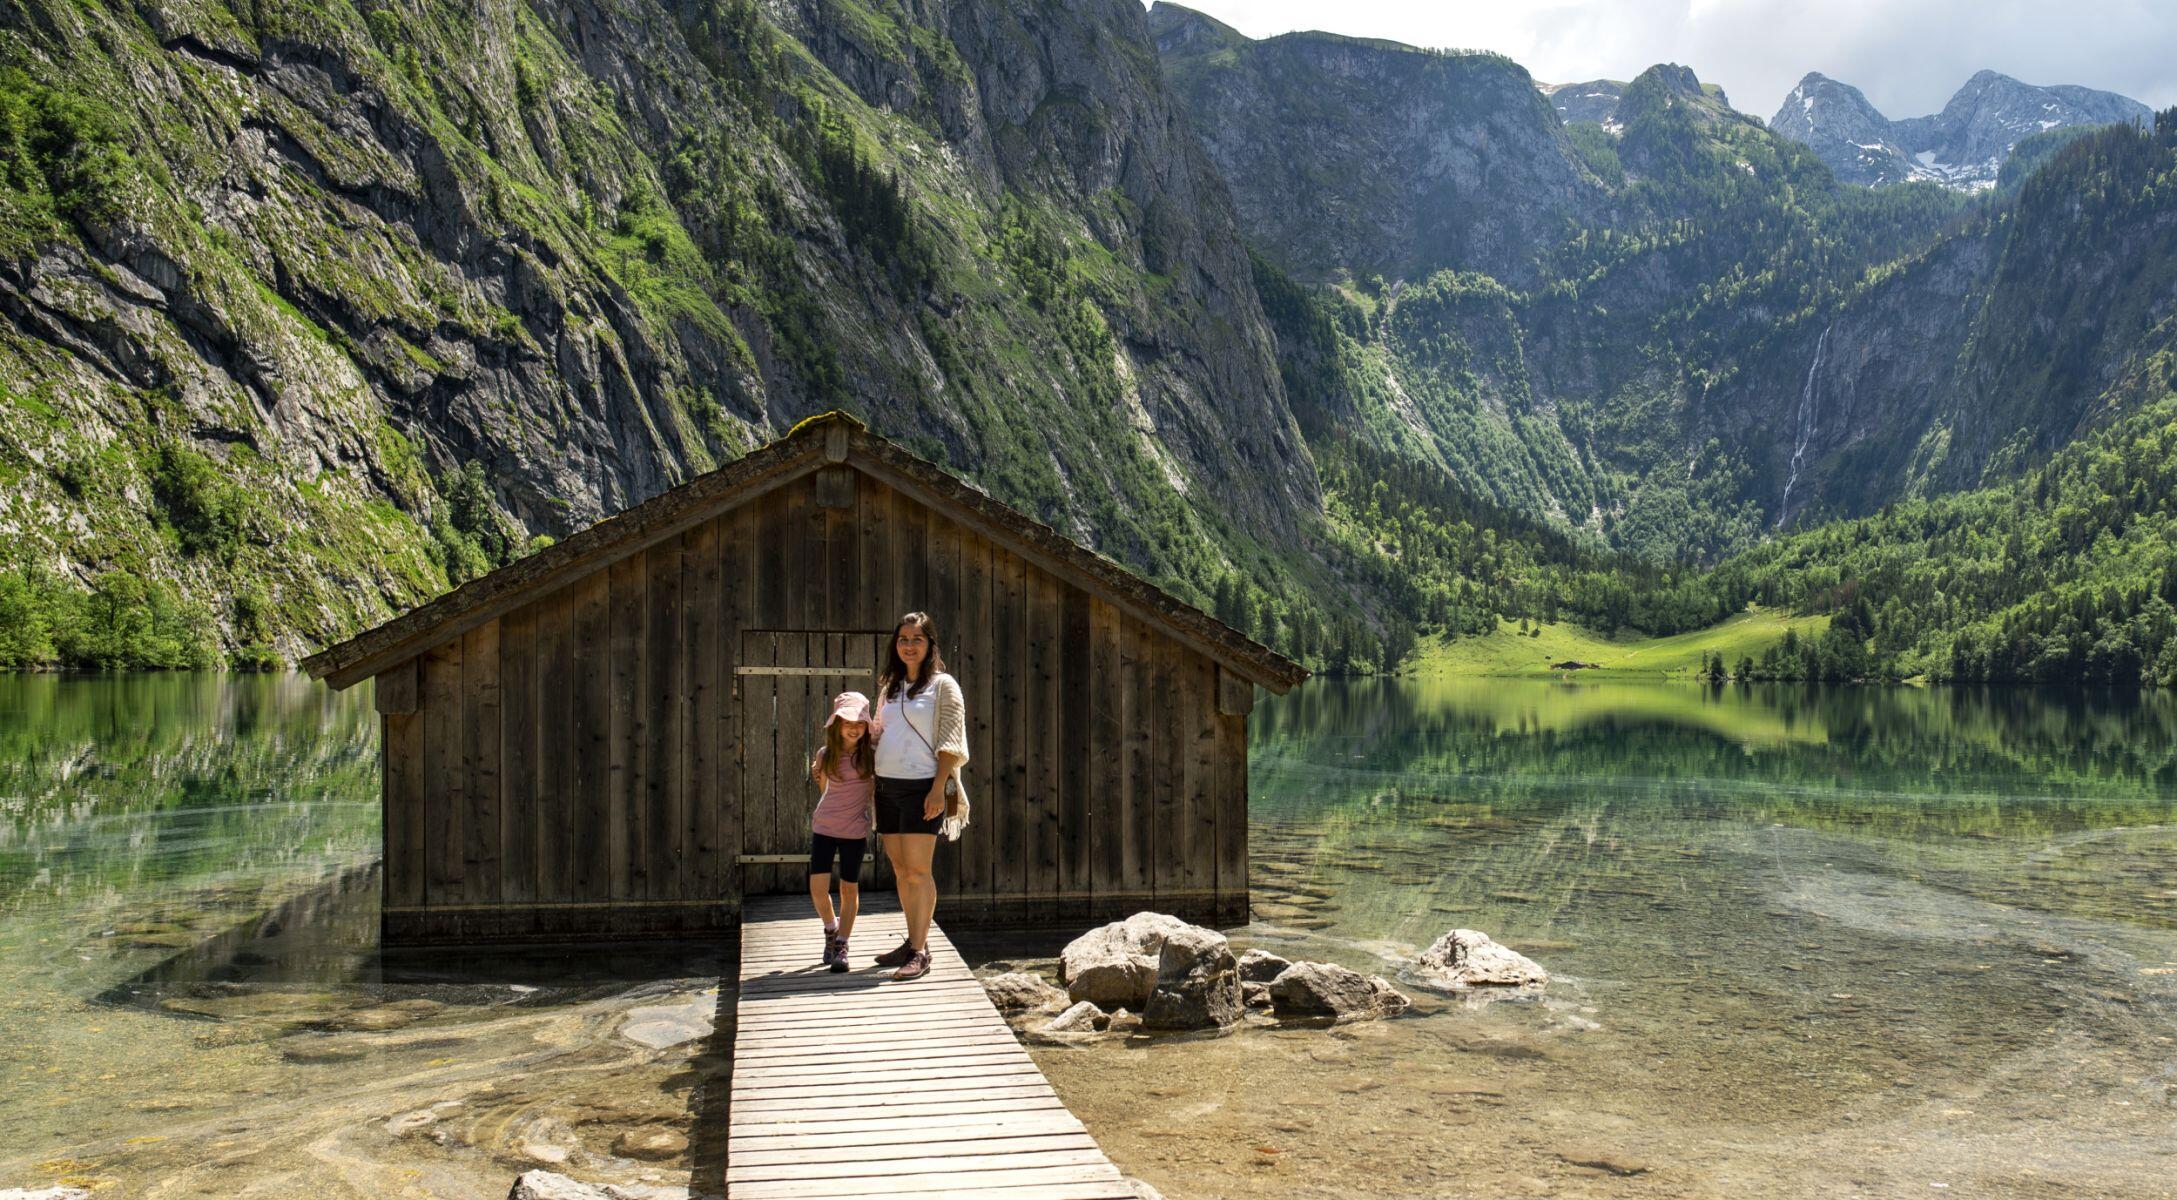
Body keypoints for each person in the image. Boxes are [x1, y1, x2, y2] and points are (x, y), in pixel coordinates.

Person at [869, 612, 969, 981]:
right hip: (886, 787)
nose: (909, 645)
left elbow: (952, 741)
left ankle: (920, 952)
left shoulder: (944, 686)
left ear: (930, 645)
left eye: (917, 639)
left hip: (921, 787)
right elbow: (877, 733)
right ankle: (914, 940)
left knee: (918, 871)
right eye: (903, 639)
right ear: (895, 645)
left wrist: (938, 789)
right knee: (900, 870)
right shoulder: (889, 687)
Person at [807, 691, 875, 973]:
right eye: (848, 721)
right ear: (837, 724)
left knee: (849, 889)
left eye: (860, 722)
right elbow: (825, 791)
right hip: (824, 828)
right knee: (818, 888)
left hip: (854, 832)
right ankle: (830, 928)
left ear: (867, 726)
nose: (854, 727)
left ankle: (842, 944)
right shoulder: (825, 755)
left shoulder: (872, 756)